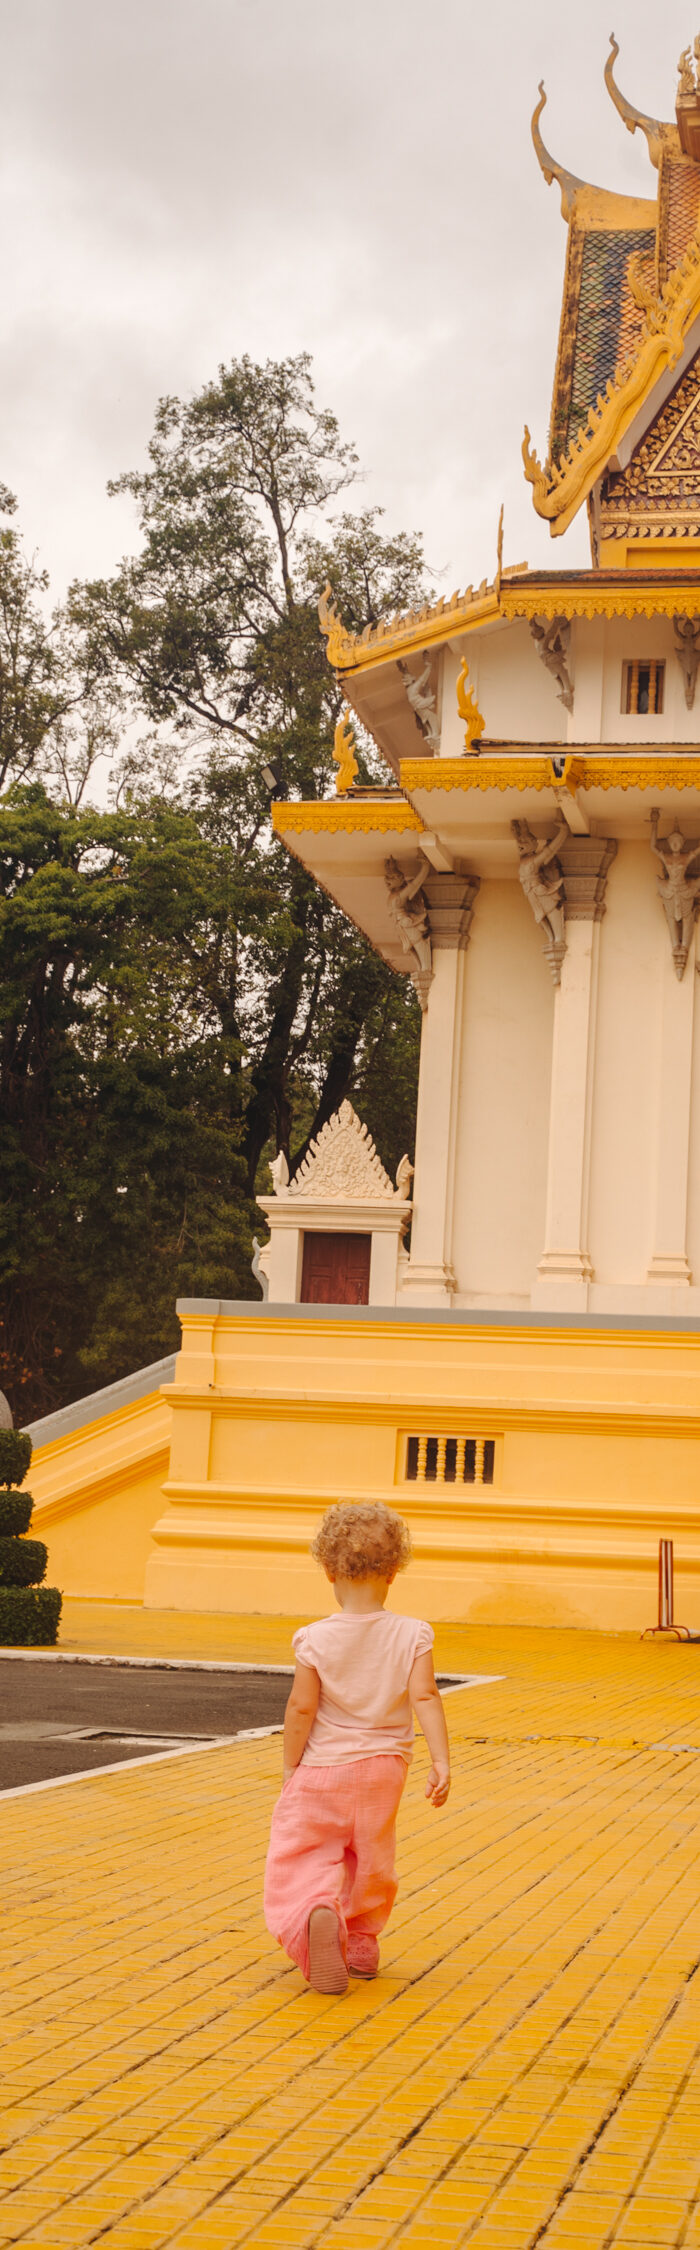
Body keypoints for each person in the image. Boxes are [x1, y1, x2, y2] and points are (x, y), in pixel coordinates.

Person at [264, 1500, 451, 1996]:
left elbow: (301, 1709)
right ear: (394, 1571)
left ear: (328, 1569)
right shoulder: (414, 1633)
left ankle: (315, 1912)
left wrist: (290, 1767)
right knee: (370, 1856)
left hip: (322, 1770)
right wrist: (440, 1760)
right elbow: (426, 1696)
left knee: (302, 1852)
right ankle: (362, 1943)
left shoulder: (314, 1639)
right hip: (385, 1770)